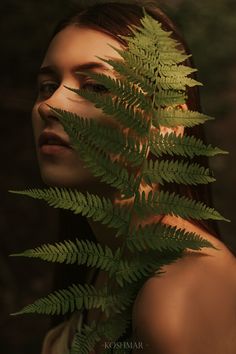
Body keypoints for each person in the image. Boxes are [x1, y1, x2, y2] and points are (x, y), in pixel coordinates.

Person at [31, 1, 236, 353]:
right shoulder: (100, 264)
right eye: (48, 85)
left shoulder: (186, 285)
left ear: (169, 123)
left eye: (95, 87)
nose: (50, 105)